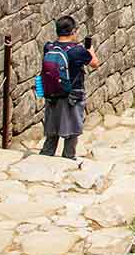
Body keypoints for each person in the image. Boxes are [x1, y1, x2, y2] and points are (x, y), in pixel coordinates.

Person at [40, 15, 98, 160]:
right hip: (73, 96)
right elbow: (95, 63)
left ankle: (46, 156)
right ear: (73, 31)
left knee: (52, 130)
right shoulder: (77, 51)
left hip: (52, 95)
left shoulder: (49, 47)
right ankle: (68, 158)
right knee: (72, 130)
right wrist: (90, 49)